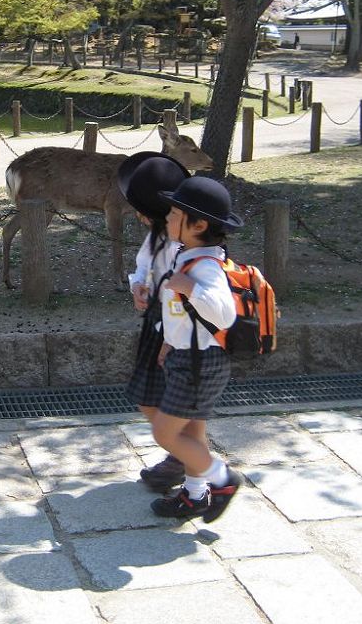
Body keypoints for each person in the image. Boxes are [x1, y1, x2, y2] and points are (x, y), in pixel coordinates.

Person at [147, 176, 244, 522]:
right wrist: (168, 343)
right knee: (192, 432)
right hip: (189, 356)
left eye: (175, 213)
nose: (168, 219)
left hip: (200, 362)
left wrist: (190, 288)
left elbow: (224, 314)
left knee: (165, 432)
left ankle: (222, 479)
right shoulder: (189, 255)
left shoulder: (204, 266)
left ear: (199, 224)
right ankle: (194, 494)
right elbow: (182, 314)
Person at [116, 152, 190, 492]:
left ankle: (189, 459)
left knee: (169, 398)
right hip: (157, 321)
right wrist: (138, 285)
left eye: (143, 211)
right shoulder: (159, 234)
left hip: (176, 327)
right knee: (149, 395)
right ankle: (183, 456)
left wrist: (169, 339)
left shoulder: (183, 243)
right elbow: (144, 264)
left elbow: (182, 295)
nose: (138, 216)